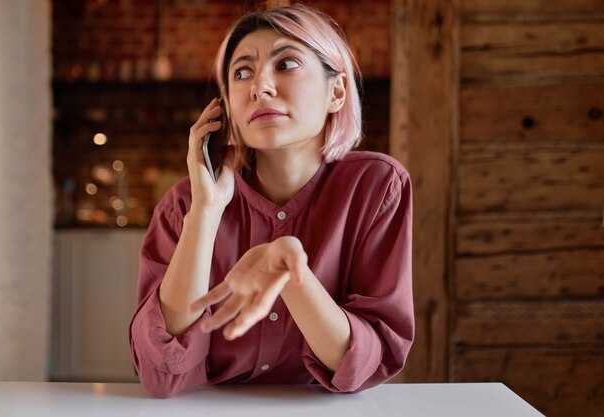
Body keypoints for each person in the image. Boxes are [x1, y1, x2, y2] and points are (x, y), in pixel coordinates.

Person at [129, 4, 414, 398]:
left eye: (287, 64)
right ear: (227, 106)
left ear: (336, 91)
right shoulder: (184, 205)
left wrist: (292, 275)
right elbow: (161, 372)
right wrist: (206, 214)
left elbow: (366, 364)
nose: (259, 86)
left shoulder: (377, 186)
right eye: (241, 72)